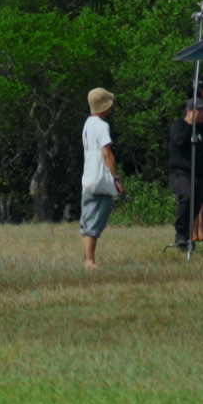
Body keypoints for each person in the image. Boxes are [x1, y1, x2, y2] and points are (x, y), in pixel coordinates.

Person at [165, 99, 203, 255]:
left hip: (198, 172)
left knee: (196, 203)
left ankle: (187, 236)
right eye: (201, 111)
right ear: (190, 111)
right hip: (179, 171)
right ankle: (180, 232)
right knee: (187, 195)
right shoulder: (178, 125)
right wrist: (190, 125)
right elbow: (180, 141)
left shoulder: (202, 128)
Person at [78, 88, 120, 269]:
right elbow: (106, 152)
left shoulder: (87, 123)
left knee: (87, 220)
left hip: (88, 177)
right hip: (100, 179)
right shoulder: (102, 126)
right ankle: (90, 261)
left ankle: (87, 259)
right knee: (95, 221)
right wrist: (115, 177)